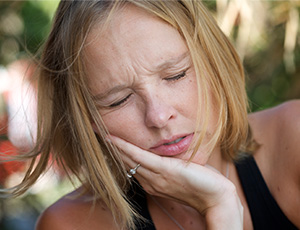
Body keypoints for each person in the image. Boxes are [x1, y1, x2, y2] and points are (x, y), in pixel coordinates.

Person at [3, 1, 300, 229]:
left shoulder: (294, 137)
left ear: (214, 62)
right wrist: (220, 210)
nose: (158, 116)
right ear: (88, 119)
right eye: (118, 100)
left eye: (175, 75)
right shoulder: (71, 224)